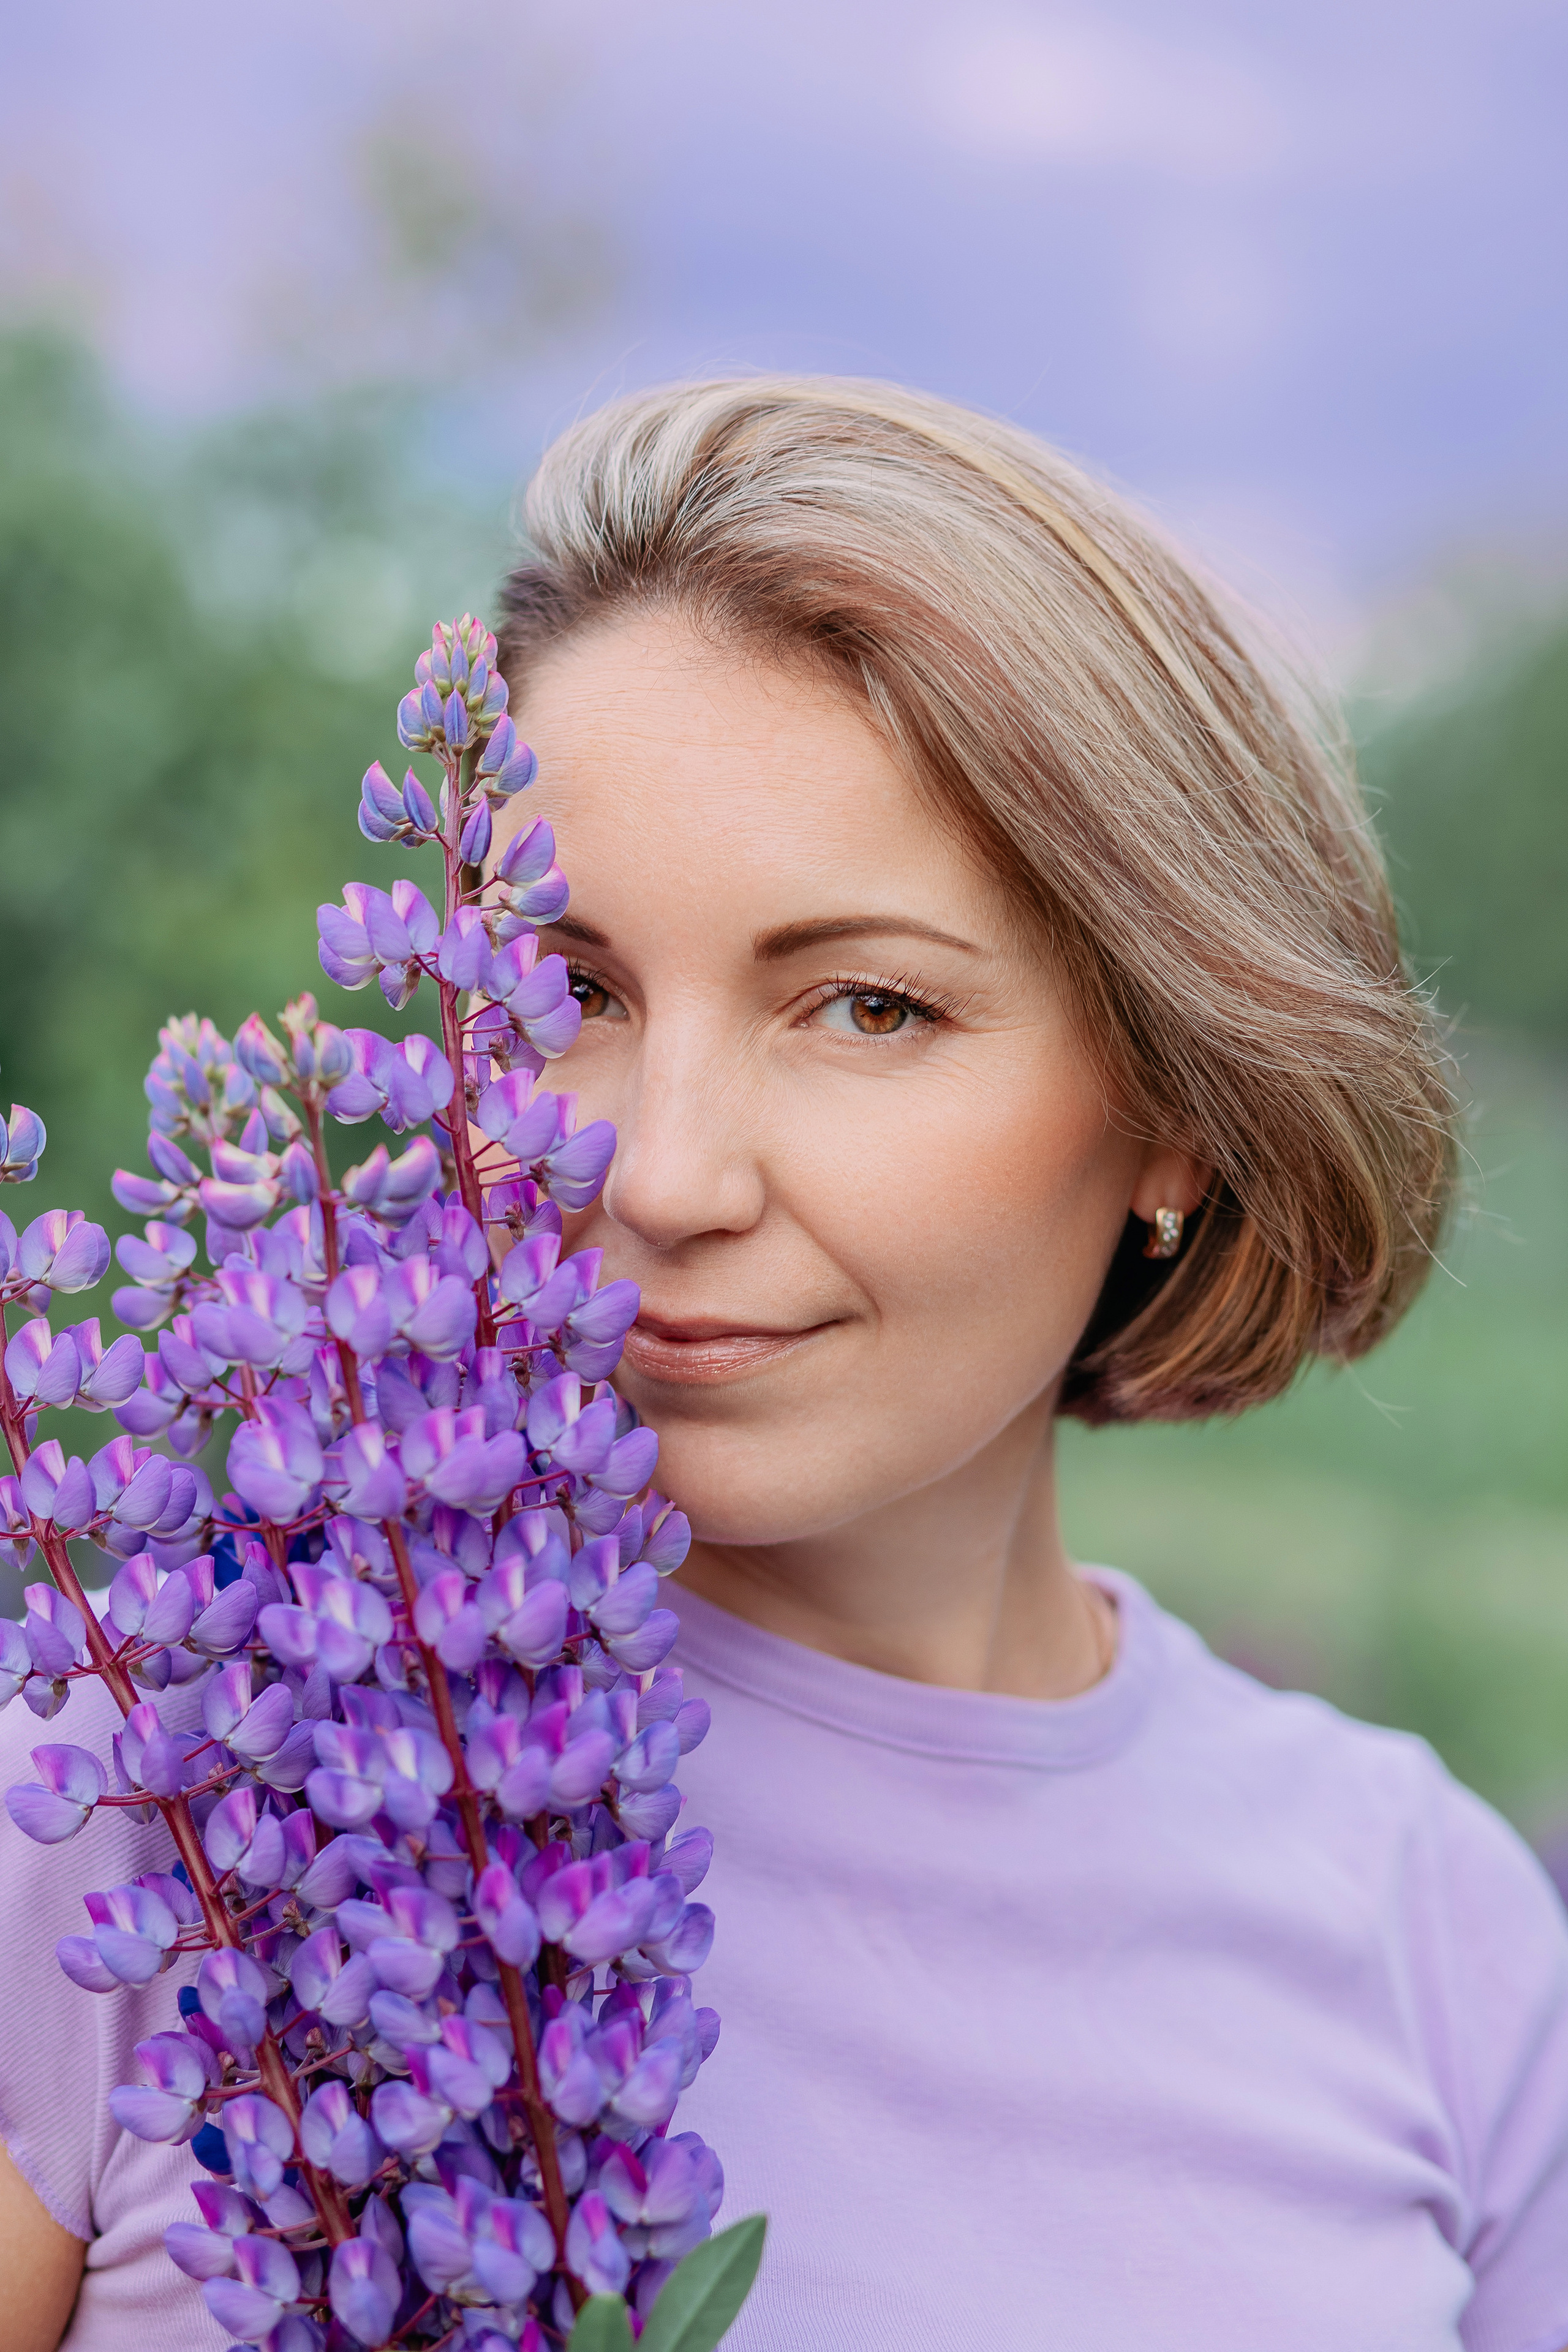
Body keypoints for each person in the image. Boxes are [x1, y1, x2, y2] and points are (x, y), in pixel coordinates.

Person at [1, 375, 1563, 2350]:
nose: (659, 1172)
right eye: (567, 991)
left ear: (1182, 1098)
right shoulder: (161, 1799)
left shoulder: (1441, 1942)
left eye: (867, 1006)